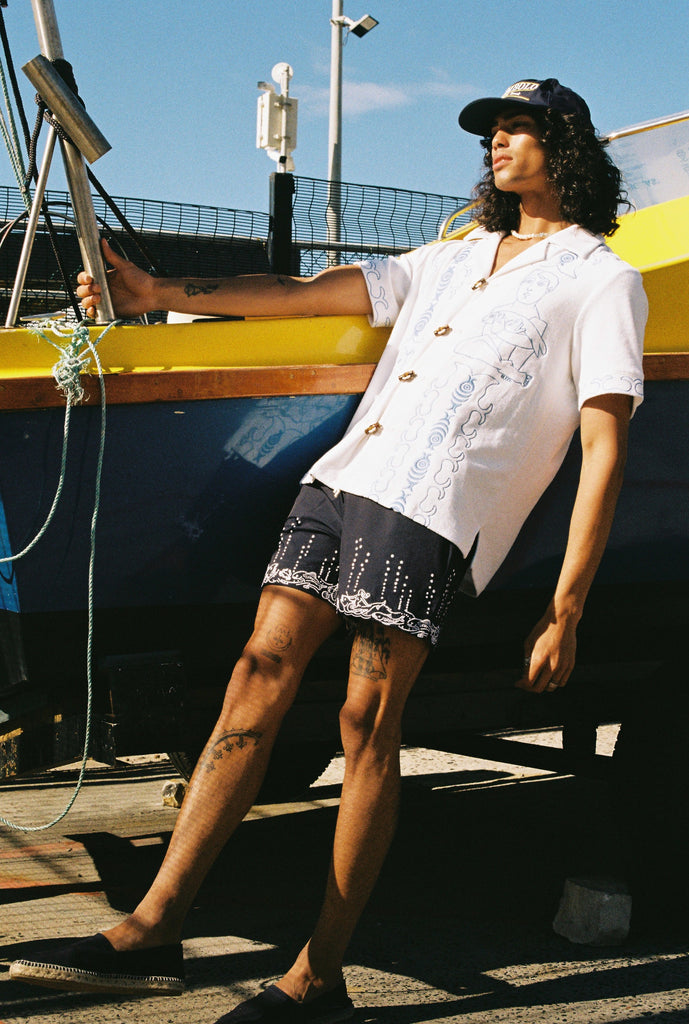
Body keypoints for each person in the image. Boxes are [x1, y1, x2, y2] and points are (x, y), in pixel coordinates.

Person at [10, 78, 647, 1023]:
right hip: (345, 482)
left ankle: (320, 977)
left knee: (364, 724)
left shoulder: (603, 279)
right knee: (254, 674)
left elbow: (603, 452)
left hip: (433, 509)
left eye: (519, 129)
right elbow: (307, 292)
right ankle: (153, 925)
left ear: (569, 147)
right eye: (493, 132)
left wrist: (566, 608)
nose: (499, 145)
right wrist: (157, 291)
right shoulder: (451, 255)